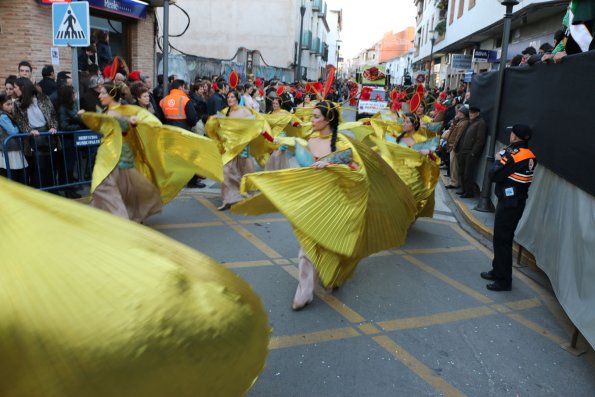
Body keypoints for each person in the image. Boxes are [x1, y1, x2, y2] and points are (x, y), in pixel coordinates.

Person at [232, 100, 417, 310]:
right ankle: (305, 291)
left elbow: (357, 173)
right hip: (312, 202)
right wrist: (281, 143)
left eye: (316, 117)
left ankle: (334, 274)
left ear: (328, 119)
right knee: (306, 247)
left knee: (332, 245)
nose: (311, 120)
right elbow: (303, 161)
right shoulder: (310, 140)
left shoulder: (343, 146)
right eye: (312, 116)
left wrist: (331, 165)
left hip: (337, 203)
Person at [481, 124, 536, 291]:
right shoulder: (530, 155)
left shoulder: (513, 155)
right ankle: (497, 271)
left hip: (508, 203)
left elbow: (494, 174)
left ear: (515, 136)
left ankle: (504, 280)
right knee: (502, 239)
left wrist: (498, 160)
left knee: (502, 240)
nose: (510, 135)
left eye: (512, 132)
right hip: (517, 201)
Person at [12, 77, 60, 189]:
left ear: (23, 87)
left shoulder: (43, 98)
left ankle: (52, 191)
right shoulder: (17, 104)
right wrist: (29, 130)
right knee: (39, 167)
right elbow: (21, 122)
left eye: (15, 87)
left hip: (49, 136)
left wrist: (53, 127)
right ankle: (41, 193)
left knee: (51, 165)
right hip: (33, 139)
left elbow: (52, 115)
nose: (14, 90)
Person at [455, 106, 486, 198]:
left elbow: (480, 140)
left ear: (477, 113)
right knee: (462, 171)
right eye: (470, 113)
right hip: (464, 151)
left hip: (470, 152)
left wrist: (473, 152)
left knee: (468, 173)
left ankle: (469, 192)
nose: (471, 114)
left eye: (473, 113)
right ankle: (464, 190)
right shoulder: (471, 122)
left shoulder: (481, 123)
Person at [0, 93, 28, 183]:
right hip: (10, 150)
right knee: (13, 174)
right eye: (7, 104)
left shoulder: (8, 115)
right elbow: (13, 131)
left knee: (17, 174)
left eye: (11, 104)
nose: (11, 106)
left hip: (13, 148)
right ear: (1, 105)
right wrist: (19, 126)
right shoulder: (3, 116)